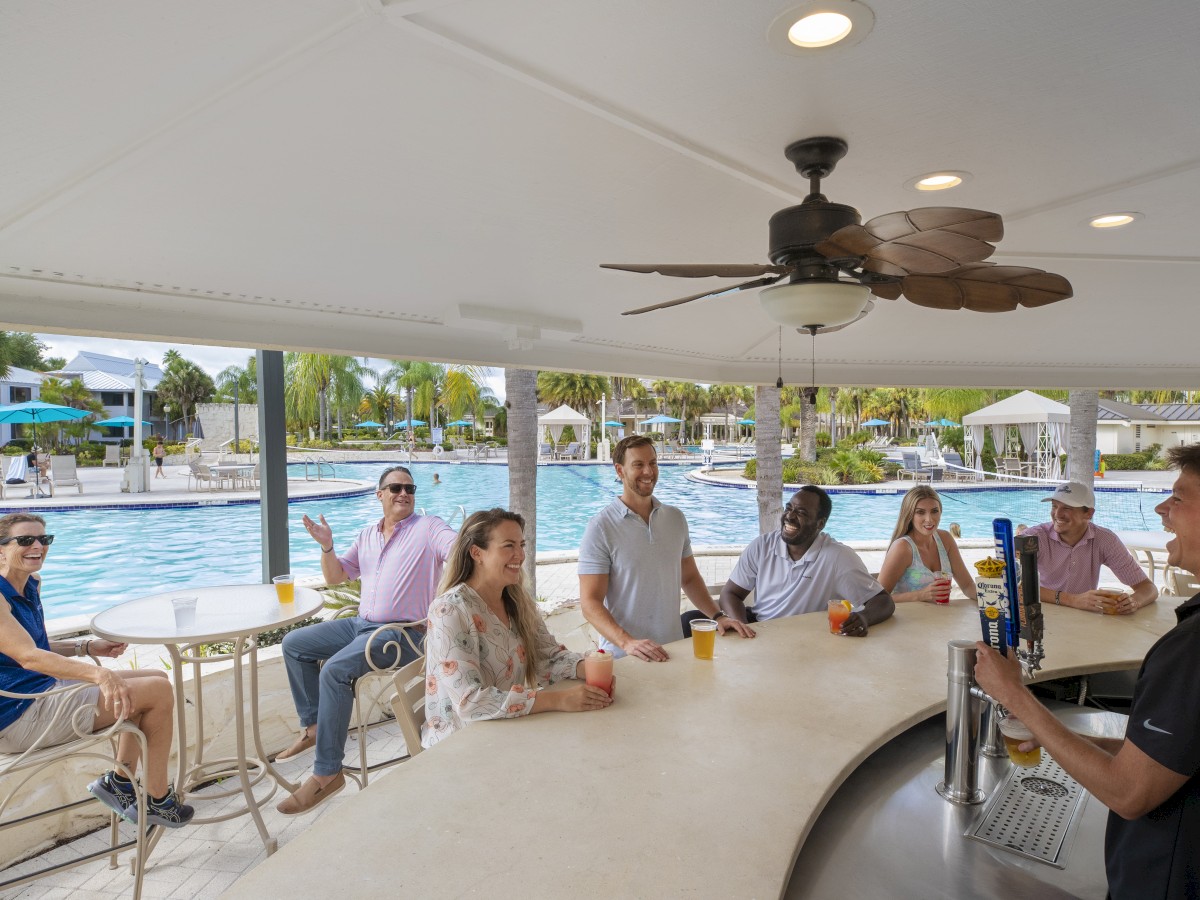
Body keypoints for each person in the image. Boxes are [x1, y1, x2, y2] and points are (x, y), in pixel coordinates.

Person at [974, 444, 1200, 899]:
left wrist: (1017, 696)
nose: (1162, 507)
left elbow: (1129, 793)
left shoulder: (1190, 651)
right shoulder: (1034, 537)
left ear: (1086, 513)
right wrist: (1065, 737)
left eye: (1178, 497)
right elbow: (1168, 759)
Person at [276, 465, 457, 815]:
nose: (403, 494)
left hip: (403, 634)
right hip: (362, 624)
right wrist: (327, 546)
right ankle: (314, 727)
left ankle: (328, 773)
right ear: (380, 495)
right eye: (395, 488)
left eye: (409, 488)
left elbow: (456, 546)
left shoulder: (428, 527)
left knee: (334, 672)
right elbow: (336, 578)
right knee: (294, 644)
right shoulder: (367, 535)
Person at [0, 513, 193, 827]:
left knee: (157, 679)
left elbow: (35, 642)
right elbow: (29, 657)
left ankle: (120, 784)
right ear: (1, 549)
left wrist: (88, 648)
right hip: (18, 715)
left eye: (43, 539)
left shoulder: (30, 583)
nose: (37, 546)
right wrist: (100, 674)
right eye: (25, 540)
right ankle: (157, 801)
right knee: (155, 692)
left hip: (42, 693)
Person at [423, 509, 612, 748]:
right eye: (509, 546)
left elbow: (546, 657)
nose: (520, 555)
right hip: (460, 746)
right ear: (476, 553)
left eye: (522, 545)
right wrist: (559, 699)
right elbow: (469, 702)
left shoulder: (515, 600)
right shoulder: (450, 610)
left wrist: (589, 668)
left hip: (506, 730)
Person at [579, 435, 755, 661]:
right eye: (638, 465)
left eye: (652, 463)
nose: (648, 472)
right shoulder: (601, 528)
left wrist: (718, 616)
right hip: (626, 658)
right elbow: (590, 602)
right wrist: (628, 642)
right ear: (620, 471)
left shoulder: (675, 518)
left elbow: (689, 578)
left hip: (673, 651)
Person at [717, 486, 895, 635]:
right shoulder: (762, 546)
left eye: (801, 512)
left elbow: (883, 602)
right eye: (789, 508)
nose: (790, 516)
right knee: (692, 618)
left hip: (807, 641)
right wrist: (742, 627)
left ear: (820, 524)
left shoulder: (837, 557)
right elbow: (730, 594)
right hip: (761, 630)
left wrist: (864, 618)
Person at [1026, 481, 1157, 614]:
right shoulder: (1033, 538)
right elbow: (1012, 584)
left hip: (1084, 618)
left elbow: (1148, 588)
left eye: (1067, 508)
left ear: (1089, 513)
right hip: (1041, 615)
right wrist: (1072, 600)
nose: (1057, 514)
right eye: (1054, 506)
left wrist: (1132, 602)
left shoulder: (1105, 539)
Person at [878, 486, 977, 604]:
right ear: (910, 515)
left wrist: (993, 597)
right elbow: (878, 599)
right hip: (908, 620)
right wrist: (920, 595)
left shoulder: (945, 539)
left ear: (941, 511)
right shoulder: (903, 547)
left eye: (934, 511)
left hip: (941, 618)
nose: (929, 519)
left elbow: (967, 586)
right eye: (920, 512)